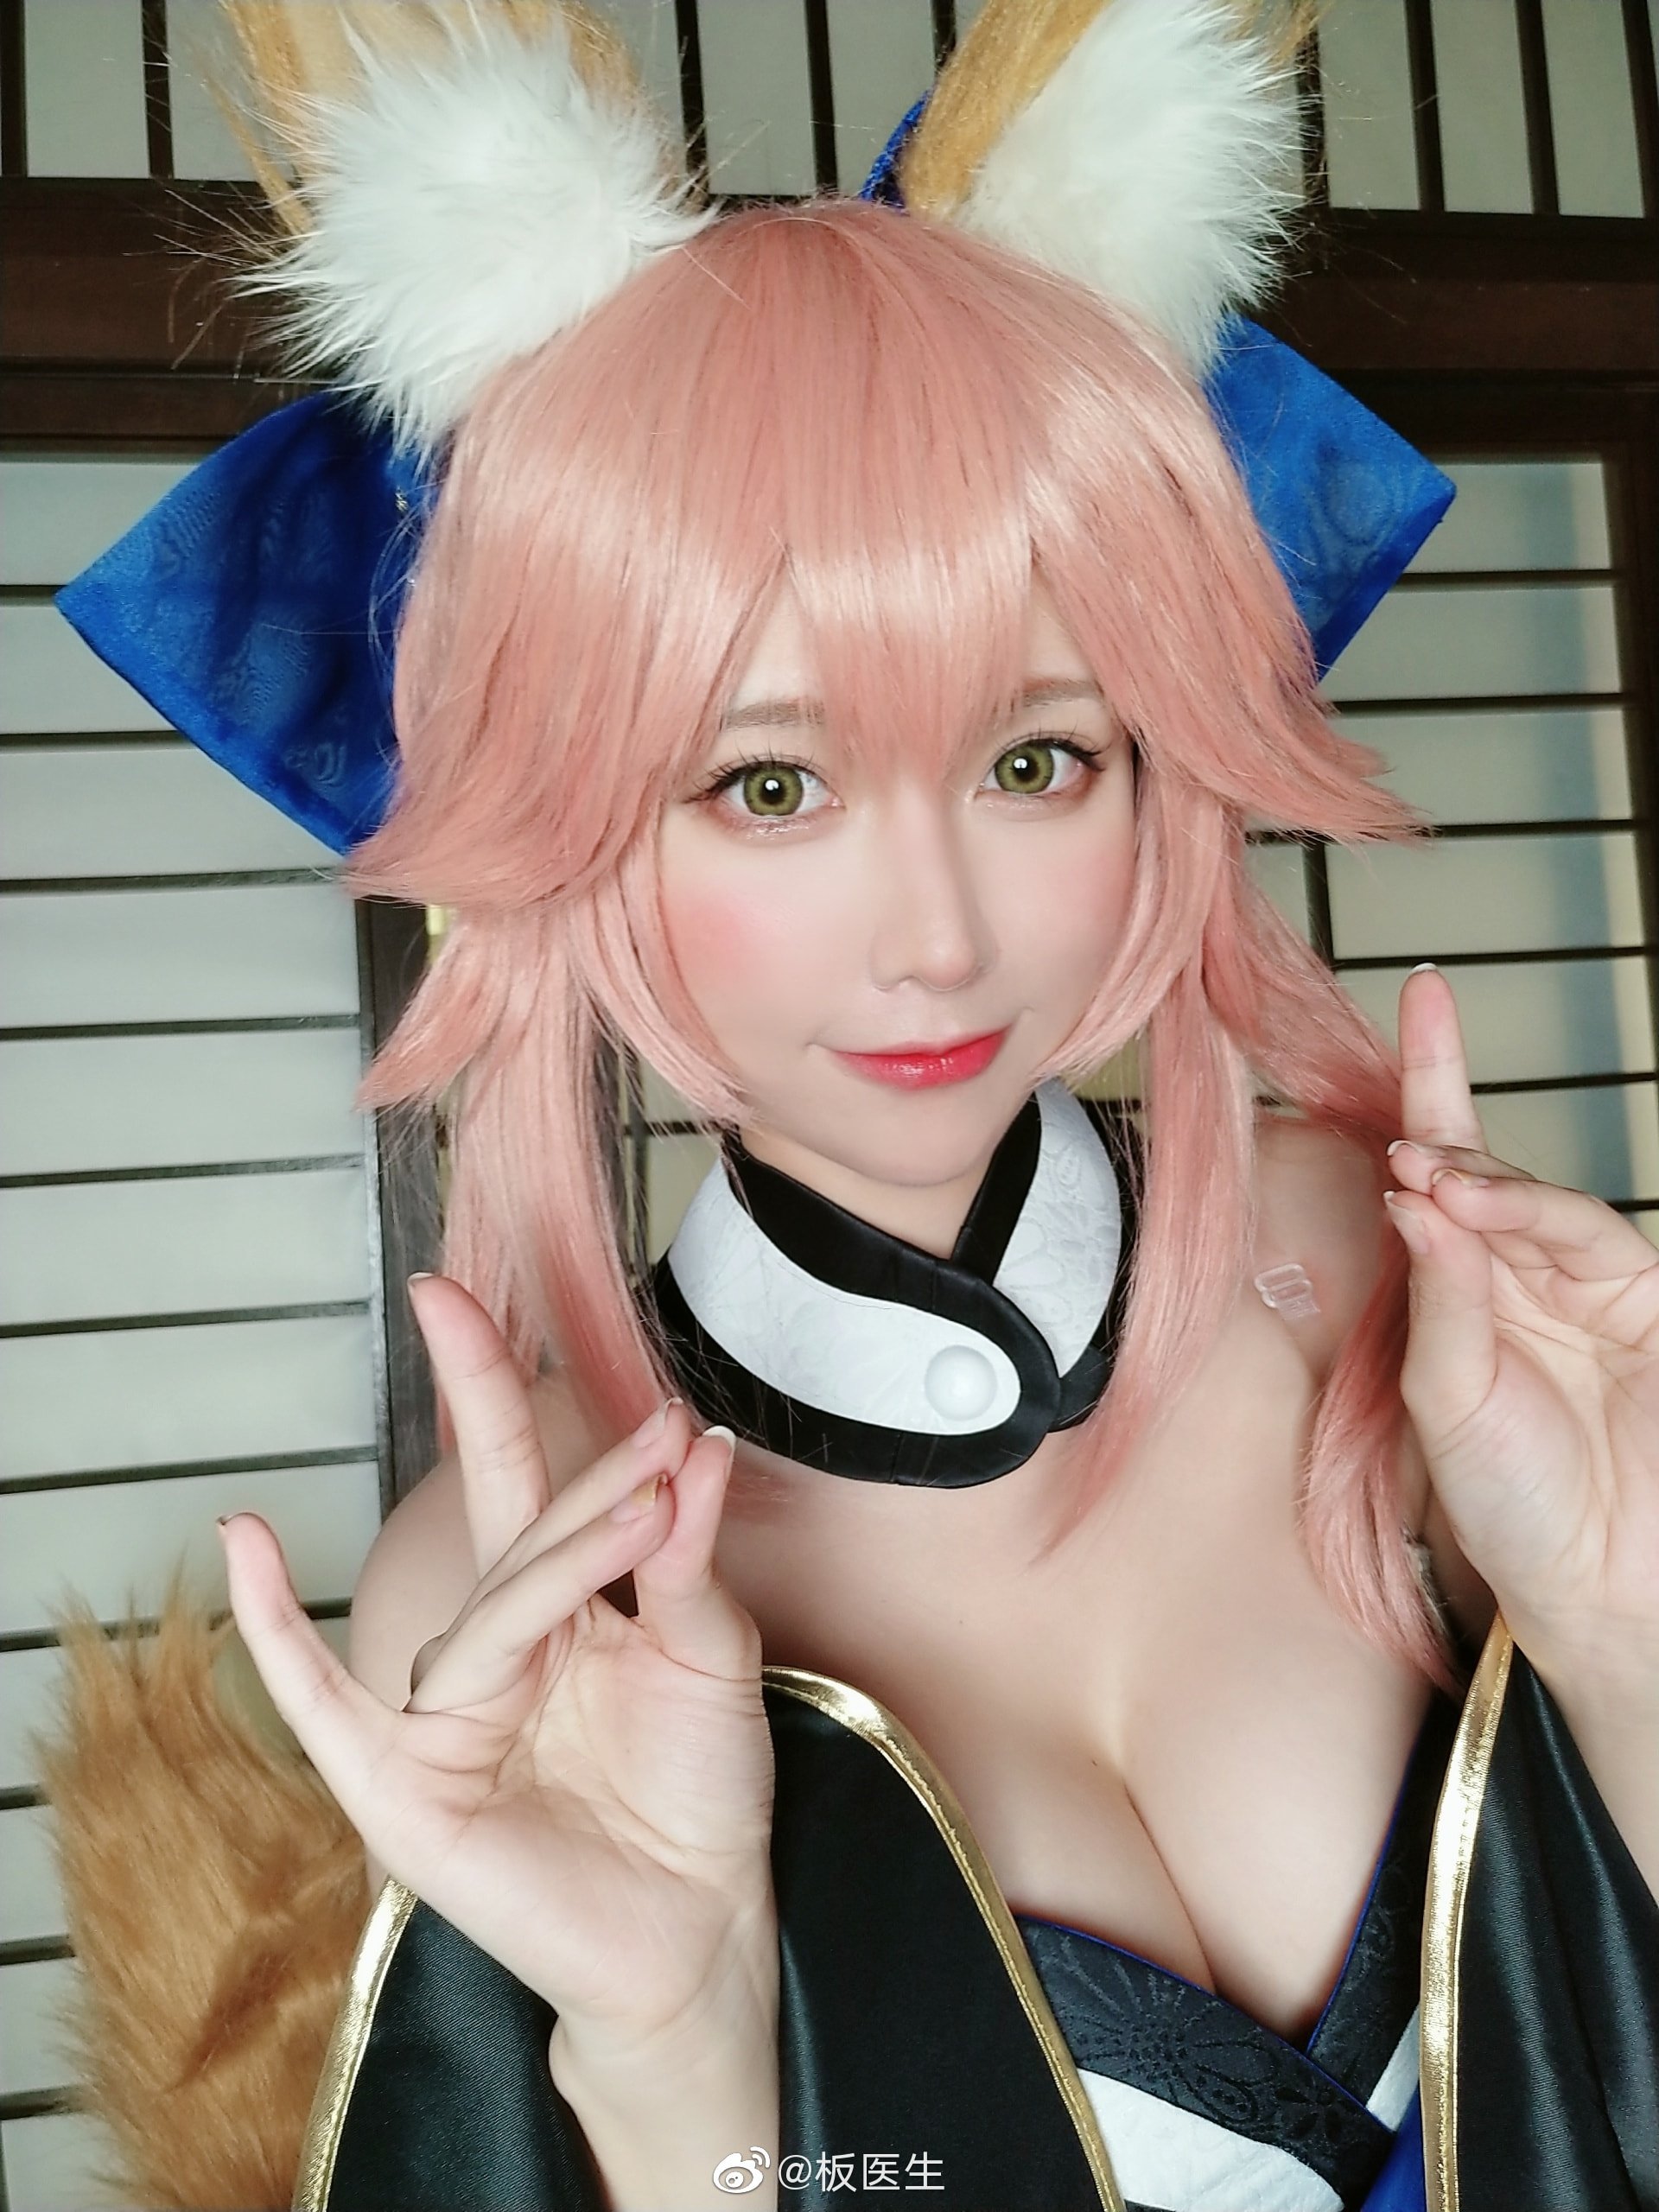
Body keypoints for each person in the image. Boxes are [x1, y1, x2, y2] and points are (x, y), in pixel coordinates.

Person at [49, 4, 1659, 2209]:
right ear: (574, 832)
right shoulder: (508, 1580)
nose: (936, 939)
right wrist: (680, 2056)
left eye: (1036, 759)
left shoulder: (1410, 1279)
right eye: (770, 783)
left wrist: (1631, 1636)